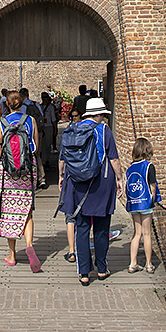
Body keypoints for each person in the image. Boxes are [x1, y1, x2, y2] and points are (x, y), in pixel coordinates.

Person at [58, 97, 123, 286]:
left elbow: (63, 156)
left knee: (82, 228)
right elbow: (114, 159)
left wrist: (61, 176)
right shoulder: (104, 131)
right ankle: (102, 269)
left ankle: (84, 272)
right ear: (100, 114)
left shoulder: (73, 128)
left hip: (78, 183)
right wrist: (120, 179)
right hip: (101, 183)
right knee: (102, 229)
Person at [0, 90, 42, 272]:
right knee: (27, 209)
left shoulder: (2, 123)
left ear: (7, 104)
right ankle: (29, 244)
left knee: (9, 210)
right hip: (27, 171)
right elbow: (36, 147)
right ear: (22, 103)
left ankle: (12, 255)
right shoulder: (30, 120)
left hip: (8, 173)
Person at [126, 136, 160, 273]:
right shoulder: (148, 166)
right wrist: (153, 199)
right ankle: (149, 264)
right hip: (145, 203)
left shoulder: (130, 168)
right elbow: (152, 186)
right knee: (147, 233)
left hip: (134, 204)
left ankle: (133, 263)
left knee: (137, 233)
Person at [62, 105, 82, 264]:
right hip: (84, 177)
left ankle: (72, 251)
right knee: (81, 214)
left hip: (71, 176)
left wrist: (61, 176)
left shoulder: (67, 134)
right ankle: (79, 251)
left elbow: (62, 158)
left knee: (70, 215)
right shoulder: (88, 133)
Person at [19, 87, 47, 188]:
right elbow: (42, 116)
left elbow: (21, 120)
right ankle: (41, 177)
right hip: (38, 132)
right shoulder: (35, 104)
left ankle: (29, 178)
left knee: (26, 155)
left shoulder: (23, 106)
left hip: (27, 133)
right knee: (37, 155)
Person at [39, 91, 57, 167]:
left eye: (46, 97)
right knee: (42, 144)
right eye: (43, 97)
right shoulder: (39, 106)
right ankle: (43, 160)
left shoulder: (50, 107)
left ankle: (46, 159)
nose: (44, 99)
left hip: (49, 126)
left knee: (48, 144)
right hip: (41, 126)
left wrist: (55, 129)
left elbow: (53, 119)